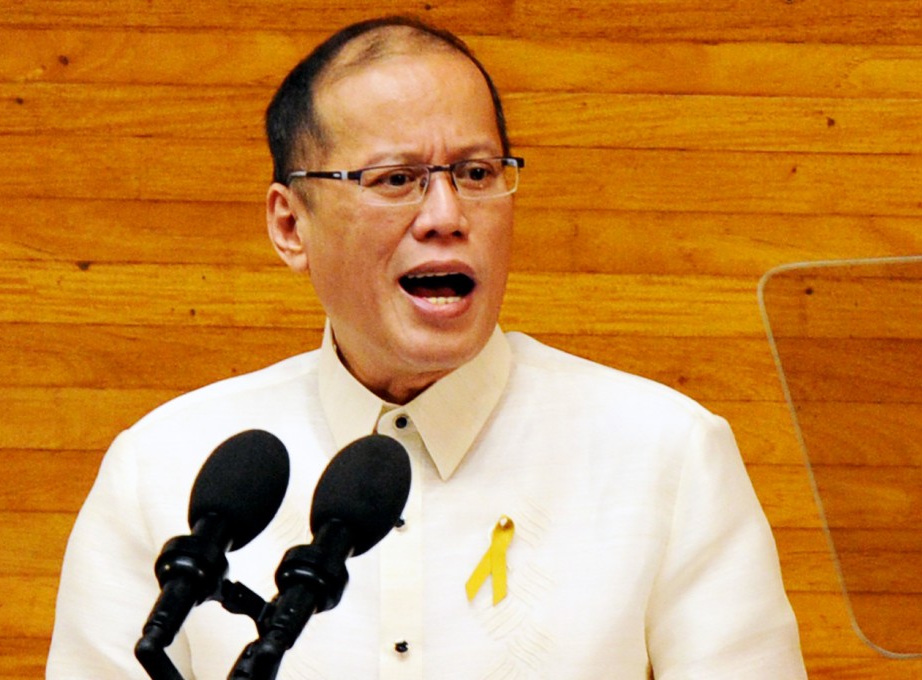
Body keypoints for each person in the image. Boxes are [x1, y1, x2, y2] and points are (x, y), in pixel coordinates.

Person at [47, 15, 807, 679]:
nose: (446, 213)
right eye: (395, 178)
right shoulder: (162, 469)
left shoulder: (669, 457)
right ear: (290, 225)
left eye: (477, 173)